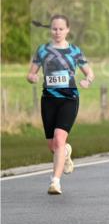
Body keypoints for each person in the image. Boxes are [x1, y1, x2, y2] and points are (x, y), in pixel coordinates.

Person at [27, 14, 94, 195]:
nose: (57, 32)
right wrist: (32, 77)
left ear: (67, 30)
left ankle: (55, 182)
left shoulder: (74, 51)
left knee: (58, 139)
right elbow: (31, 74)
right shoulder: (42, 51)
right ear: (50, 30)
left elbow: (89, 73)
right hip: (48, 99)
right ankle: (66, 151)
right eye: (54, 29)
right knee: (53, 145)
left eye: (61, 29)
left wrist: (87, 81)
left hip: (69, 98)